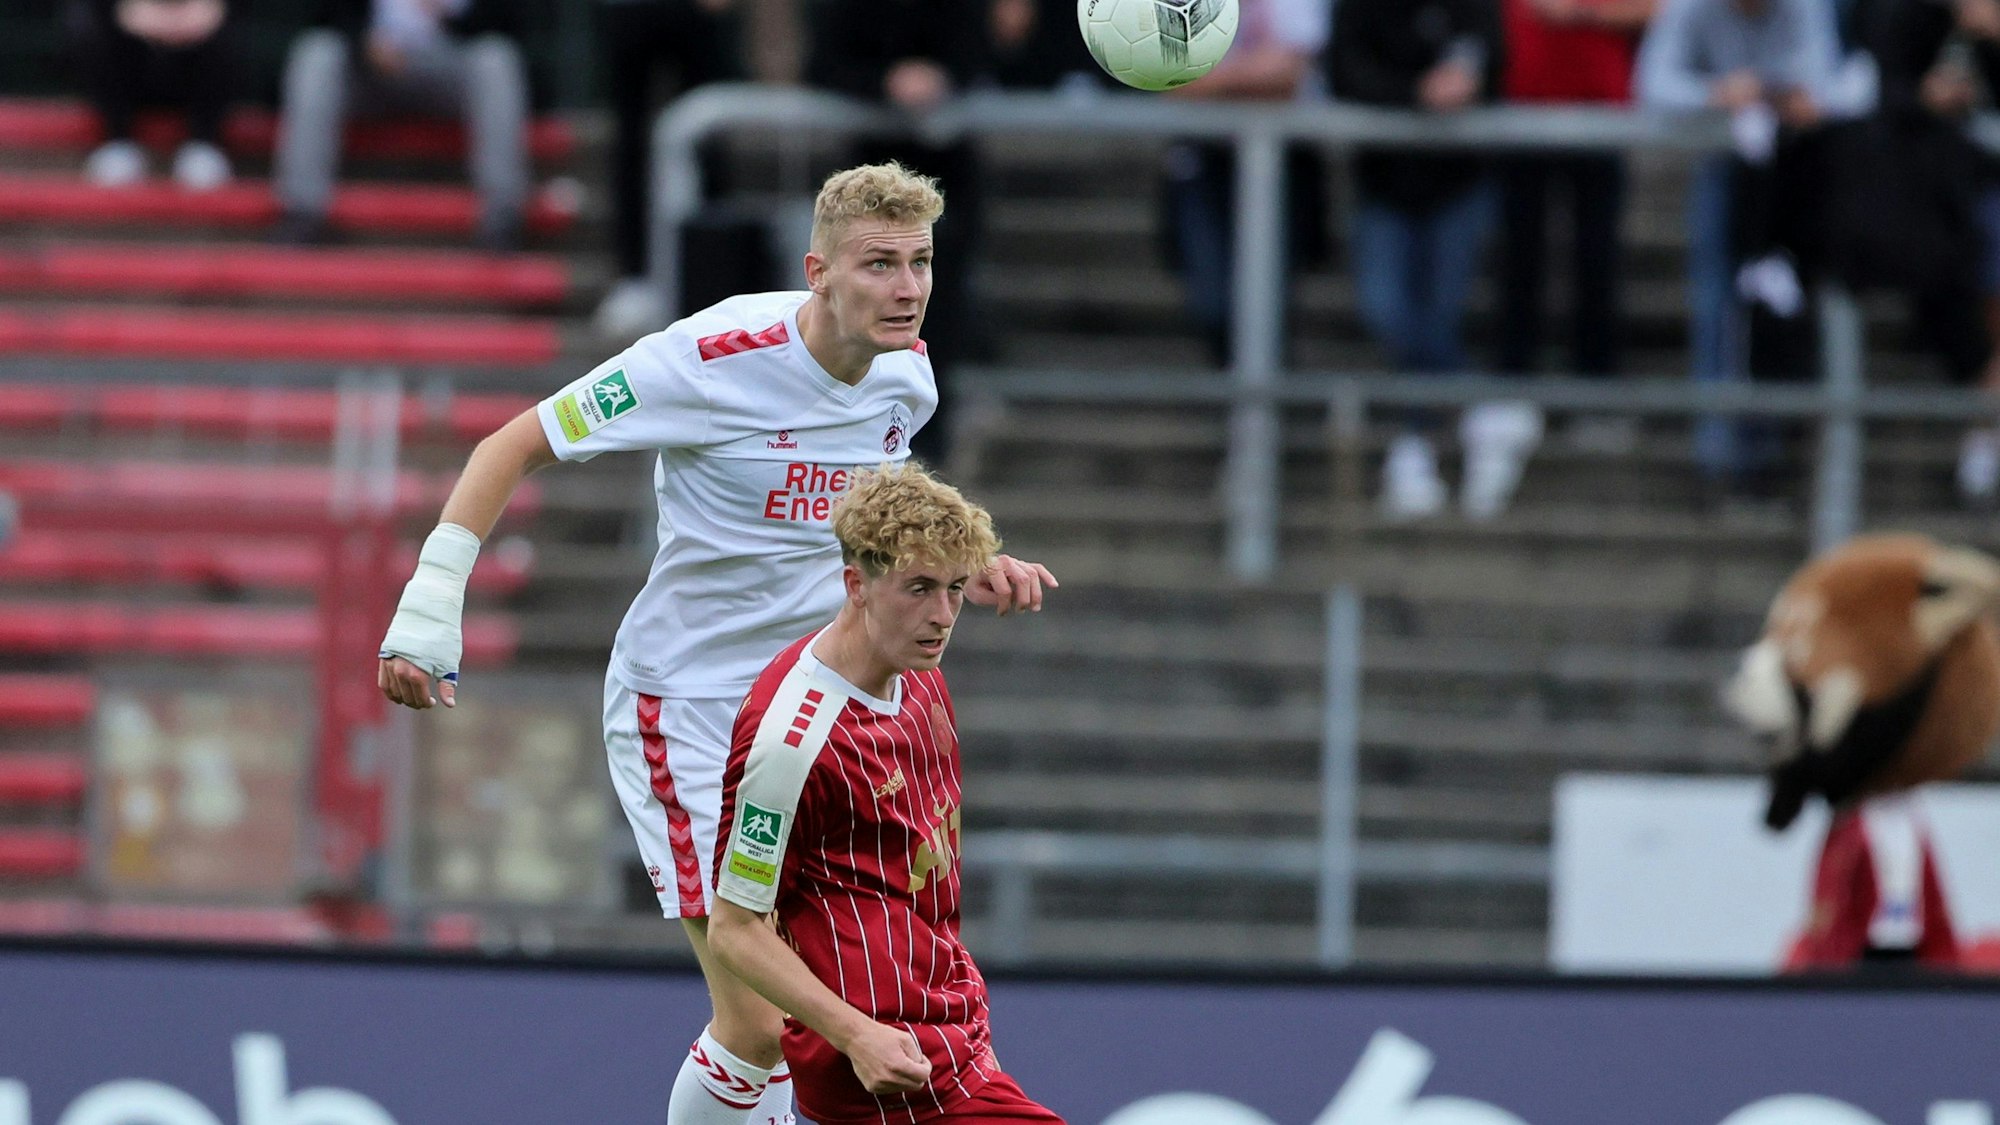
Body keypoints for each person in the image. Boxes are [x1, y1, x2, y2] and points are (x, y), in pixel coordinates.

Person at [376, 162, 1056, 1125]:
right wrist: (430, 607)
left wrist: (959, 566)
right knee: (760, 1020)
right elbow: (511, 444)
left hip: (816, 715)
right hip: (690, 705)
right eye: (879, 264)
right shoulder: (704, 359)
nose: (907, 288)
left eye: (921, 263)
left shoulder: (908, 375)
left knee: (820, 1014)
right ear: (818, 271)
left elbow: (869, 509)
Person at [708, 464, 1065, 1125]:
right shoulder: (791, 743)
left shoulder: (916, 669)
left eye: (954, 589)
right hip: (886, 1063)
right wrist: (856, 1035)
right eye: (919, 589)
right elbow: (734, 928)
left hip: (952, 1027)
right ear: (856, 586)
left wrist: (956, 569)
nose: (943, 616)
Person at [1636, 0, 1862, 501]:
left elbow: (1825, 82)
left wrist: (1779, 95)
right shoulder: (1691, 8)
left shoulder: (1804, 8)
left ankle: (1777, 447)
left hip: (1795, 172)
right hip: (1724, 168)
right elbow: (1652, 84)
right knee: (1717, 302)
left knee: (1787, 301)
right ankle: (1718, 452)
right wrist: (1716, 93)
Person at [1326, 0, 1507, 521]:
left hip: (1457, 181)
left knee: (1440, 315)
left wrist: (1467, 82)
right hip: (1384, 184)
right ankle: (1482, 408)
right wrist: (1414, 93)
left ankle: (1415, 444)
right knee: (1386, 309)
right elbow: (1344, 71)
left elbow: (1491, 57)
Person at [804, 0, 990, 465]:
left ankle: (922, 444)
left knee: (932, 317)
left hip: (947, 179)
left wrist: (943, 78)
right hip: (864, 177)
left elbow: (982, 50)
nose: (905, 286)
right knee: (857, 323)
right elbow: (822, 61)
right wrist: (883, 81)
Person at [1491, 0, 1657, 489]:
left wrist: (1583, 10)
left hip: (1598, 105)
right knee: (1520, 259)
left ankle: (1596, 392)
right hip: (1523, 102)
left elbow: (1656, 9)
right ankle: (1513, 388)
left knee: (1596, 259)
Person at [271, 0, 531, 251]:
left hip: (450, 63)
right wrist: (364, 43)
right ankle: (302, 212)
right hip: (368, 70)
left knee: (496, 57)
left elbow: (507, 24)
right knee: (317, 52)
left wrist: (450, 15)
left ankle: (503, 217)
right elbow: (329, 15)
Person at [1159, 0, 1331, 368]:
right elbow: (1168, 76)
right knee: (1211, 299)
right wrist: (1253, 75)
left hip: (1288, 161)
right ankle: (1239, 386)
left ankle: (1266, 390)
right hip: (1204, 161)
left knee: (1271, 296)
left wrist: (1214, 78)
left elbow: (1287, 77)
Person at [590, 0, 748, 341]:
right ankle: (634, 276)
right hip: (633, 11)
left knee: (709, 136)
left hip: (696, 15)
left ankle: (712, 277)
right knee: (632, 141)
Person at [69, 0, 237, 190]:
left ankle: (204, 141)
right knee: (87, 26)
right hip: (130, 59)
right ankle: (117, 140)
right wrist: (123, 10)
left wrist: (206, 9)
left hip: (199, 54)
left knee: (229, 33)